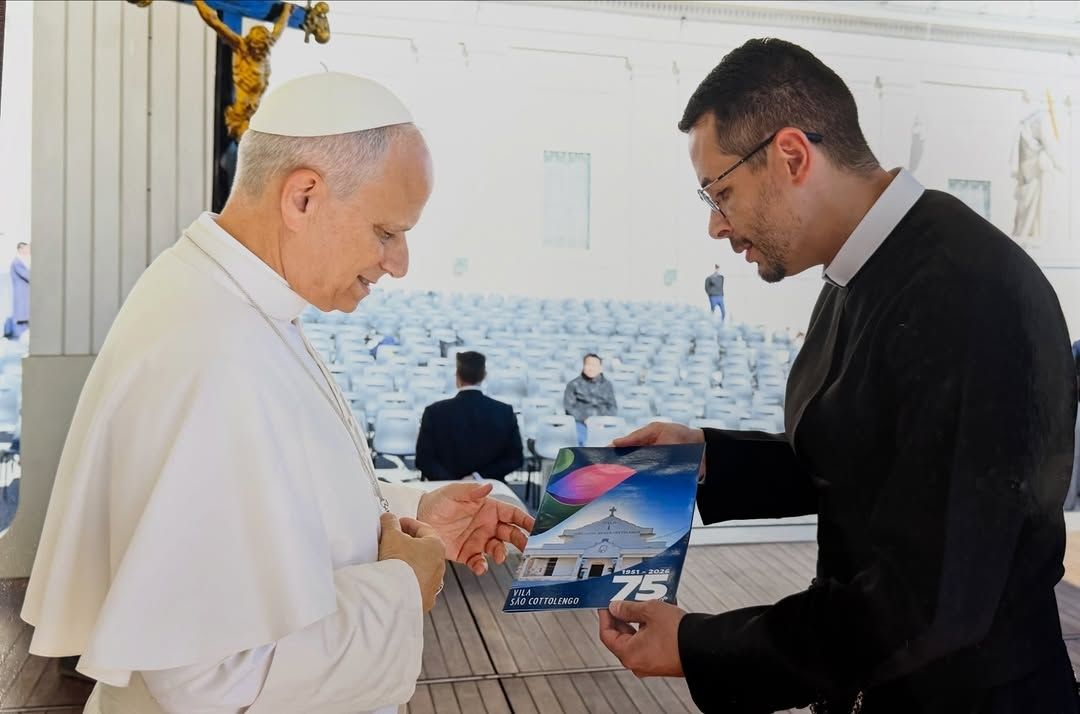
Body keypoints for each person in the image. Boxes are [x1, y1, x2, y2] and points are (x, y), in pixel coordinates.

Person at [21, 72, 534, 714]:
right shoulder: (208, 344)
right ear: (303, 198)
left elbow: (281, 496)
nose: (399, 263)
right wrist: (401, 582)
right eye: (385, 232)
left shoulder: (238, 304)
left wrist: (414, 514)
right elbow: (210, 675)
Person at [597, 38, 1078, 713]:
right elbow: (865, 464)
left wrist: (702, 646)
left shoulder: (967, 290)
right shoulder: (860, 273)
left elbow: (927, 601)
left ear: (792, 155)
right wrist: (708, 458)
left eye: (722, 191)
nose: (714, 225)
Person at [415, 351, 524, 482]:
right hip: (490, 491)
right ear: (484, 375)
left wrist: (454, 483)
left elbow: (423, 460)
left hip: (445, 491)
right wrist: (477, 477)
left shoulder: (434, 412)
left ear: (457, 377)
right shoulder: (504, 412)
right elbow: (514, 459)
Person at [564, 354, 617, 446]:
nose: (591, 368)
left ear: (600, 368)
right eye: (588, 364)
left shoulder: (608, 385)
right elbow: (569, 407)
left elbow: (612, 407)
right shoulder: (573, 384)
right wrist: (585, 419)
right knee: (583, 442)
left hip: (603, 424)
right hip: (580, 423)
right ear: (583, 366)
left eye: (594, 365)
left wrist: (602, 422)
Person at [6, 242, 30, 340]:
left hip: (25, 295)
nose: (28, 251)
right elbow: (28, 276)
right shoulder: (17, 263)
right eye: (27, 248)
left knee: (25, 318)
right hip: (22, 295)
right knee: (22, 319)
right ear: (20, 249)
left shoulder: (21, 262)